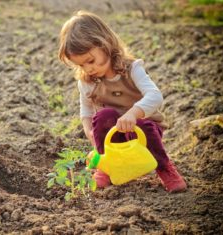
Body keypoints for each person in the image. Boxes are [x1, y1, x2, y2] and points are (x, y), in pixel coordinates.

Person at [58, 11, 187, 193]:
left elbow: (155, 95)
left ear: (105, 44)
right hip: (113, 137)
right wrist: (89, 130)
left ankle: (164, 168)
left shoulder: (132, 69)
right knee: (103, 115)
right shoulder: (87, 81)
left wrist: (133, 114)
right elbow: (86, 110)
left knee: (145, 124)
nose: (88, 68)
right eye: (81, 65)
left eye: (91, 60)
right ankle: (105, 167)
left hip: (143, 133)